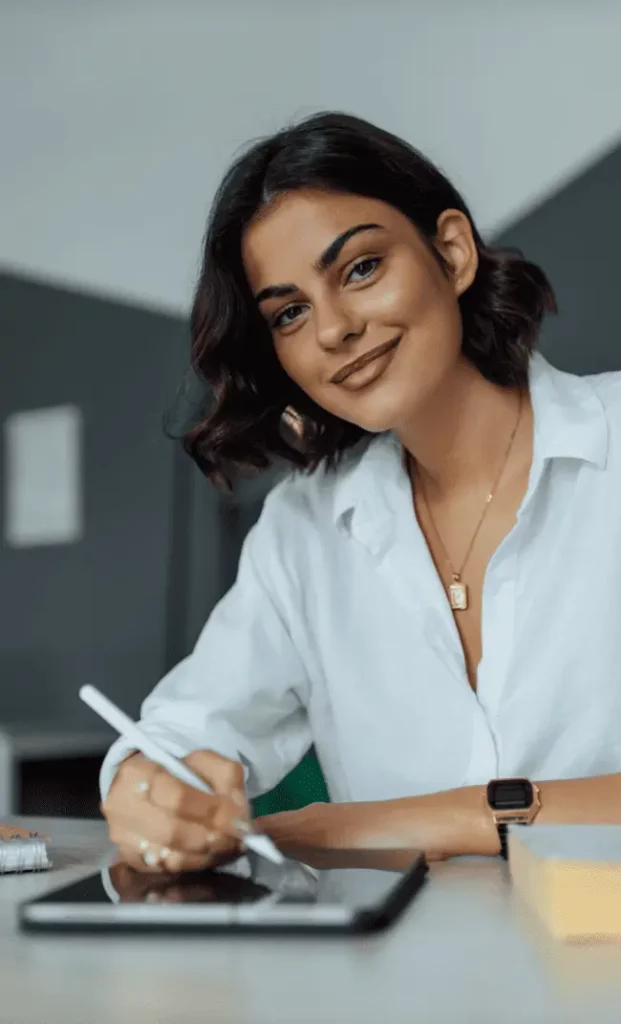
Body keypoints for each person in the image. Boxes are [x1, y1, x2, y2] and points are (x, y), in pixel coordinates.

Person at [100, 111, 621, 876]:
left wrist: (374, 825)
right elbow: (180, 736)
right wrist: (152, 789)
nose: (334, 330)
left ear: (450, 251)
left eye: (360, 268)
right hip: (397, 987)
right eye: (289, 312)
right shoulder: (302, 527)